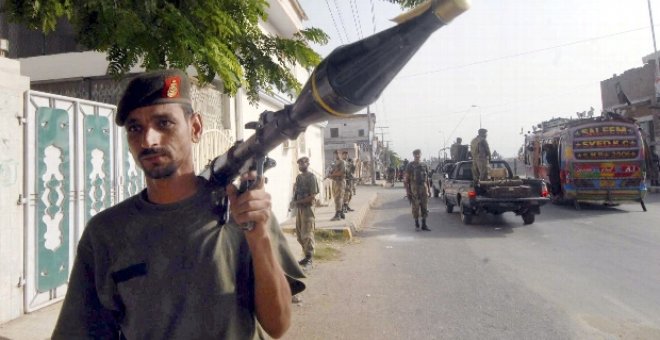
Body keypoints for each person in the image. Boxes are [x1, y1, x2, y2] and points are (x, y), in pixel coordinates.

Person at [51, 69, 304, 339]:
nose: (148, 140)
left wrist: (259, 238)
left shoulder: (242, 210)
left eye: (164, 123)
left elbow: (278, 325)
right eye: (135, 128)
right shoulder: (106, 232)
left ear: (195, 128)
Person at [292, 156, 319, 267]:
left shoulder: (311, 177)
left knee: (307, 234)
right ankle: (306, 255)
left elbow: (312, 196)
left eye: (303, 163)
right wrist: (294, 201)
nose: (301, 165)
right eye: (299, 164)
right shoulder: (299, 177)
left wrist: (299, 202)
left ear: (308, 164)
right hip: (300, 209)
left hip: (308, 209)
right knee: (299, 234)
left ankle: (309, 258)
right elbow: (296, 192)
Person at [404, 149, 431, 231]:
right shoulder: (410, 166)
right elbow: (406, 180)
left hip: (424, 188)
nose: (417, 156)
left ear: (421, 155)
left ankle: (424, 224)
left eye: (418, 154)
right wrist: (408, 192)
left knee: (425, 207)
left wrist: (429, 190)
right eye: (416, 154)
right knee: (415, 207)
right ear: (413, 155)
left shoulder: (424, 165)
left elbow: (427, 179)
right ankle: (416, 224)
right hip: (414, 189)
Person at [329, 150, 346, 221]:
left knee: (338, 198)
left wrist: (332, 175)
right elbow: (332, 171)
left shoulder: (342, 162)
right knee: (336, 197)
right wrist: (330, 174)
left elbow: (341, 172)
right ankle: (341, 213)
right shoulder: (335, 162)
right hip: (335, 181)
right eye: (336, 154)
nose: (337, 155)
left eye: (338, 154)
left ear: (341, 154)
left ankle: (338, 214)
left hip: (340, 181)